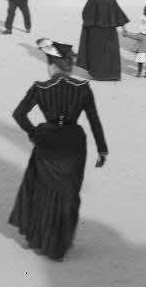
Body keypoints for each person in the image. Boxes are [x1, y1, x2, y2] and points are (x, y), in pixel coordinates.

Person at [9, 39, 108, 261]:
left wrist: (34, 134)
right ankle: (60, 241)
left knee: (43, 189)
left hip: (49, 141)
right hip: (74, 143)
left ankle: (39, 238)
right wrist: (102, 149)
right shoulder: (83, 89)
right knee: (68, 192)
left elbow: (19, 114)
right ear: (69, 66)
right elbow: (94, 121)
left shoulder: (40, 88)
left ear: (53, 66)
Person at [76, 0, 130, 81]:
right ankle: (112, 75)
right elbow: (118, 13)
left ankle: (99, 74)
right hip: (111, 31)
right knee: (110, 53)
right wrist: (124, 29)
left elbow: (86, 15)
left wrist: (89, 26)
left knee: (97, 53)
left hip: (96, 31)